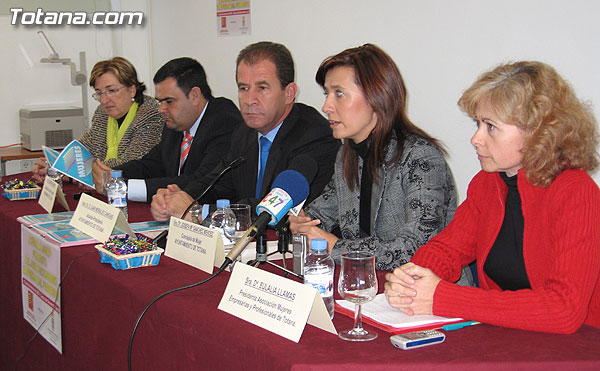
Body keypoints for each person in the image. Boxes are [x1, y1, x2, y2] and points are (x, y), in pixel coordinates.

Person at [385, 61, 600, 334]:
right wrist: (412, 278)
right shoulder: (487, 183)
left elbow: (563, 311)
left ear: (537, 132)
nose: (476, 138)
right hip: (507, 337)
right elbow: (448, 250)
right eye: (478, 124)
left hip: (578, 347)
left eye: (490, 126)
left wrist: (442, 298)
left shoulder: (576, 192)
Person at [288, 44, 470, 279]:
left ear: (377, 96)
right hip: (372, 286)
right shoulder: (347, 154)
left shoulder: (421, 158)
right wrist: (302, 223)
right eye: (326, 94)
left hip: (430, 297)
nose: (326, 107)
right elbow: (321, 213)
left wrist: (335, 247)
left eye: (339, 93)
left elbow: (416, 250)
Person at [150, 41, 340, 221]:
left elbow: (276, 209)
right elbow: (219, 183)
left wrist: (199, 212)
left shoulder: (315, 136)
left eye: (262, 88)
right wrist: (176, 198)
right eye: (243, 88)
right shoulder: (244, 132)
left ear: (289, 93)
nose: (250, 100)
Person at [91, 57, 242, 202]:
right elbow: (153, 164)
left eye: (169, 101)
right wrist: (113, 174)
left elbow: (201, 182)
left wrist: (123, 187)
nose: (161, 109)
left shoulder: (223, 121)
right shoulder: (176, 122)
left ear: (195, 95)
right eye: (160, 102)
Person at [32, 57, 164, 182]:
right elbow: (85, 147)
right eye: (99, 93)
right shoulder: (103, 113)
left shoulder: (151, 114)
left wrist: (70, 173)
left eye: (112, 90)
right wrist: (56, 164)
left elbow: (129, 163)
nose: (105, 100)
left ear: (132, 89)